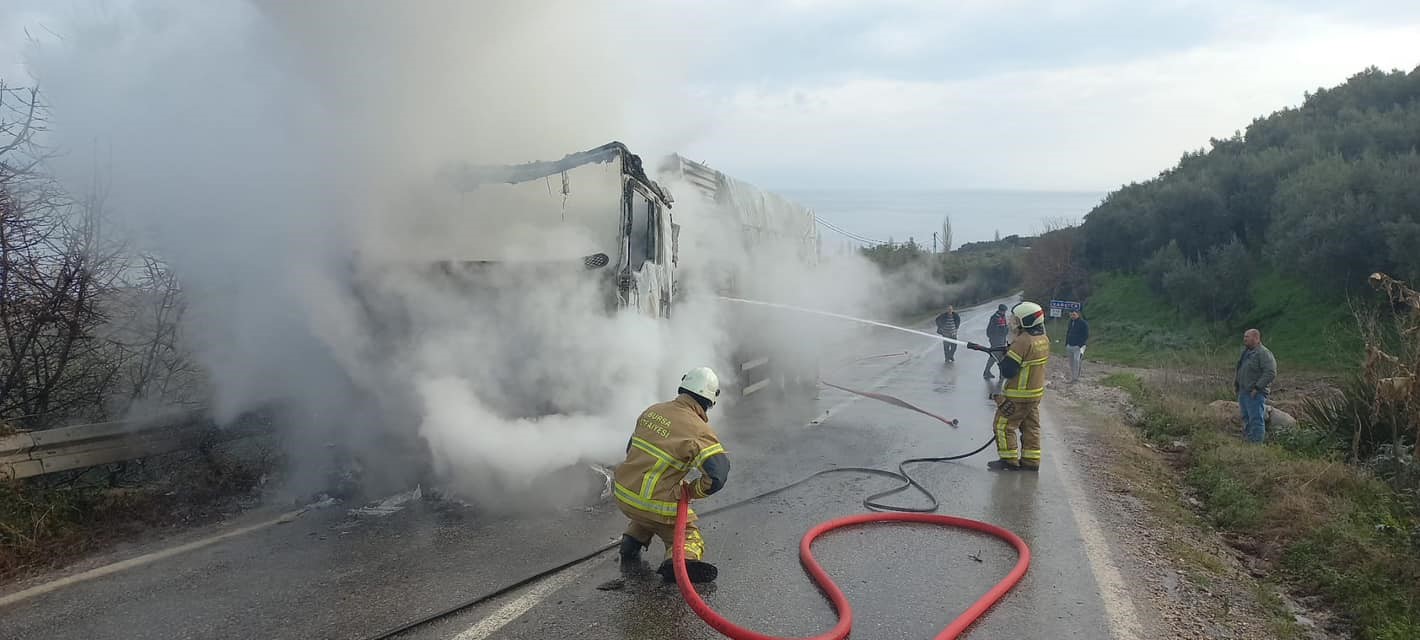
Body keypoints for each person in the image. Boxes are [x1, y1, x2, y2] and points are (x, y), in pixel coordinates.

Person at [614, 366, 730, 583]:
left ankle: (632, 540)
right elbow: (717, 477)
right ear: (710, 400)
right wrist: (691, 490)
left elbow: (631, 450)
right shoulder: (698, 430)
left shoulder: (652, 411)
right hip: (655, 505)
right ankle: (678, 562)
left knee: (648, 511)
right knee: (689, 536)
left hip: (623, 494)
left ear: (682, 388)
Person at [987, 301, 1051, 472]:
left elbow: (1008, 371)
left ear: (1027, 321)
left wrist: (1003, 357)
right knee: (1031, 427)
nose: (1013, 322)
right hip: (1034, 395)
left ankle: (1009, 461)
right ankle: (1031, 462)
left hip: (1018, 395)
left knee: (1003, 426)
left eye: (1017, 320)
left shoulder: (1022, 341)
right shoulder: (1043, 339)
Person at [1234, 329, 1277, 444]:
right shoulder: (1247, 352)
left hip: (1255, 393)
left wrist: (1257, 388)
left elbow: (1270, 372)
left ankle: (1256, 445)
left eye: (1247, 337)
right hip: (1244, 391)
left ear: (1256, 338)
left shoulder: (1264, 353)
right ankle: (1248, 442)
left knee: (1256, 419)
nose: (1245, 339)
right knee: (1246, 418)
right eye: (1244, 337)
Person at [983, 303, 1010, 379]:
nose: (1004, 312)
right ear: (1000, 310)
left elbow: (1005, 327)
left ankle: (987, 372)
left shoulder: (1002, 317)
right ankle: (1001, 374)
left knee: (995, 356)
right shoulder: (995, 318)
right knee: (998, 357)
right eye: (1003, 311)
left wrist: (1005, 331)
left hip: (1001, 339)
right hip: (996, 340)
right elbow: (991, 330)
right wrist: (994, 339)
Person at [1065, 310, 1089, 383]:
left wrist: (1080, 344)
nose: (1072, 316)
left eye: (1074, 315)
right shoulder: (1070, 322)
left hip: (1078, 346)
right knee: (1071, 362)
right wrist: (1066, 343)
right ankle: (1072, 377)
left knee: (1077, 361)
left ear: (1078, 314)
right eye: (1071, 315)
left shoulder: (1083, 323)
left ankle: (1076, 378)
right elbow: (1068, 332)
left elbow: (1086, 335)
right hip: (1070, 345)